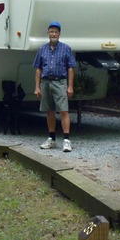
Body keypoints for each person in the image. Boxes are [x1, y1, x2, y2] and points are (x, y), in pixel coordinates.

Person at [33, 21, 76, 152]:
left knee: (63, 110)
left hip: (60, 82)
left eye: (56, 32)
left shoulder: (65, 48)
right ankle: (51, 139)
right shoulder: (42, 49)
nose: (53, 34)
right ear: (48, 33)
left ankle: (67, 140)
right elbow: (38, 69)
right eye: (51, 31)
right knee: (49, 111)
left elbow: (70, 68)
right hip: (45, 83)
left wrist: (70, 86)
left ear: (59, 34)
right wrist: (37, 87)